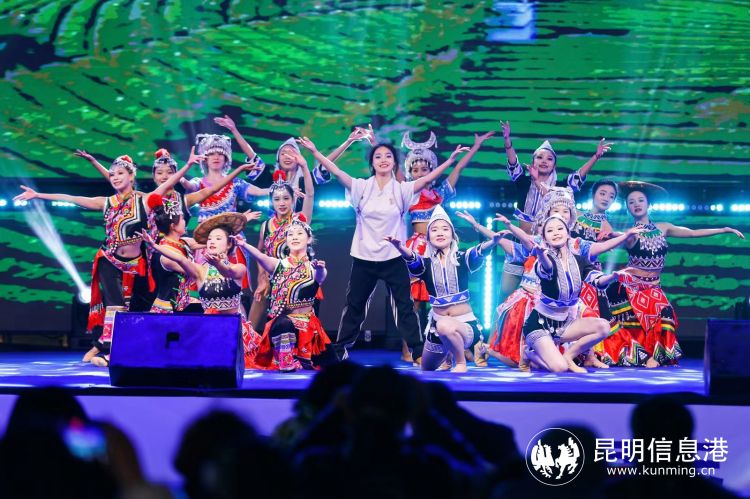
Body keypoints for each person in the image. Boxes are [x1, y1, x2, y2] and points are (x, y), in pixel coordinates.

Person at [297, 136, 470, 364]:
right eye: (378, 156)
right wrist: (315, 151)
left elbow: (429, 178)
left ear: (395, 163)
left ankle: (418, 352)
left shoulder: (402, 189)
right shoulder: (361, 186)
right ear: (372, 163)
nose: (383, 160)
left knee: (405, 306)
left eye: (388, 156)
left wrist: (451, 160)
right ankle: (340, 349)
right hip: (364, 257)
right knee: (354, 306)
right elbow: (336, 171)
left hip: (394, 257)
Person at [14, 155, 190, 364]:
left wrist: (188, 165)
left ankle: (121, 348)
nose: (115, 177)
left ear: (131, 176)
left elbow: (168, 184)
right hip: (109, 259)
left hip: (137, 264)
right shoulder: (105, 202)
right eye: (112, 174)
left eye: (120, 174)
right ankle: (111, 352)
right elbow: (71, 198)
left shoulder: (144, 200)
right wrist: (38, 195)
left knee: (139, 306)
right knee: (115, 306)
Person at [600, 181, 744, 367]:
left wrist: (723, 229)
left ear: (648, 204)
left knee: (665, 315)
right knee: (631, 323)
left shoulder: (664, 227)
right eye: (631, 202)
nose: (636, 204)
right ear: (627, 208)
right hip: (630, 288)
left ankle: (654, 356)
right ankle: (639, 356)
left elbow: (692, 233)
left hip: (653, 287)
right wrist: (610, 235)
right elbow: (617, 236)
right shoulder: (630, 233)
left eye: (640, 200)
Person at [401, 129, 495, 362]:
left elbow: (459, 168)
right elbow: (392, 171)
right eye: (415, 170)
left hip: (440, 248)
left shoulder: (440, 193)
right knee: (413, 302)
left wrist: (476, 146)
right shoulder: (407, 193)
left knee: (449, 296)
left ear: (433, 170)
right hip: (418, 249)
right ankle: (410, 350)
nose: (420, 173)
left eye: (424, 169)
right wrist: (375, 142)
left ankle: (458, 344)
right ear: (409, 173)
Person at [499, 120, 612, 301]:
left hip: (548, 250)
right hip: (522, 245)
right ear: (533, 161)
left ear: (554, 165)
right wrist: (507, 140)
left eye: (549, 159)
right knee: (506, 296)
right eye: (540, 157)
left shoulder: (560, 189)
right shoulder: (523, 182)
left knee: (542, 297)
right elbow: (513, 163)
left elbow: (578, 177)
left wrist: (595, 157)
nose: (544, 161)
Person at [386, 206, 506, 372]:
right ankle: (447, 355)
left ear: (452, 235)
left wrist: (493, 242)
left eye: (445, 229)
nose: (440, 233)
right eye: (434, 230)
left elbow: (478, 252)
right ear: (428, 237)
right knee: (426, 368)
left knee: (444, 325)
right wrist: (400, 247)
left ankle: (461, 362)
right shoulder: (427, 264)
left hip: (464, 326)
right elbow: (413, 259)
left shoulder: (461, 258)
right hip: (437, 330)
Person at [141, 212, 262, 368]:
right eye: (210, 238)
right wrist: (155, 246)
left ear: (229, 245)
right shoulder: (200, 271)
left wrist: (219, 264)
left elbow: (228, 272)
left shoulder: (238, 267)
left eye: (218, 238)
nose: (212, 241)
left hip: (233, 332)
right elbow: (180, 259)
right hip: (209, 330)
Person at [522, 214, 624, 373]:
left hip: (565, 325)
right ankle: (528, 354)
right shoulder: (543, 260)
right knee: (559, 368)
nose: (556, 233)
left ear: (568, 233)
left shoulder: (579, 261)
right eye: (550, 231)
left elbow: (597, 280)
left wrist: (612, 277)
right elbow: (548, 268)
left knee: (604, 326)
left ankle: (568, 356)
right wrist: (541, 255)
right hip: (540, 325)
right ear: (545, 238)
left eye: (559, 228)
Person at [234, 219, 330, 371]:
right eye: (290, 234)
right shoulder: (278, 265)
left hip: (308, 327)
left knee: (331, 365)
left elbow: (321, 276)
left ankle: (302, 357)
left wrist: (319, 268)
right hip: (283, 326)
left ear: (309, 239)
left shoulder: (313, 268)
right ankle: (286, 361)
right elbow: (260, 256)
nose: (294, 237)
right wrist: (243, 244)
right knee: (283, 323)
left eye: (299, 233)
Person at [248, 149, 316, 330]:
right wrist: (262, 278)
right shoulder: (266, 225)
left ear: (293, 199)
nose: (282, 203)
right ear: (271, 202)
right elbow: (260, 253)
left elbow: (310, 194)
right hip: (272, 277)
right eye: (277, 199)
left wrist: (304, 166)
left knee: (290, 329)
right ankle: (247, 345)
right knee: (255, 310)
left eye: (286, 198)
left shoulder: (300, 220)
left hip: (296, 280)